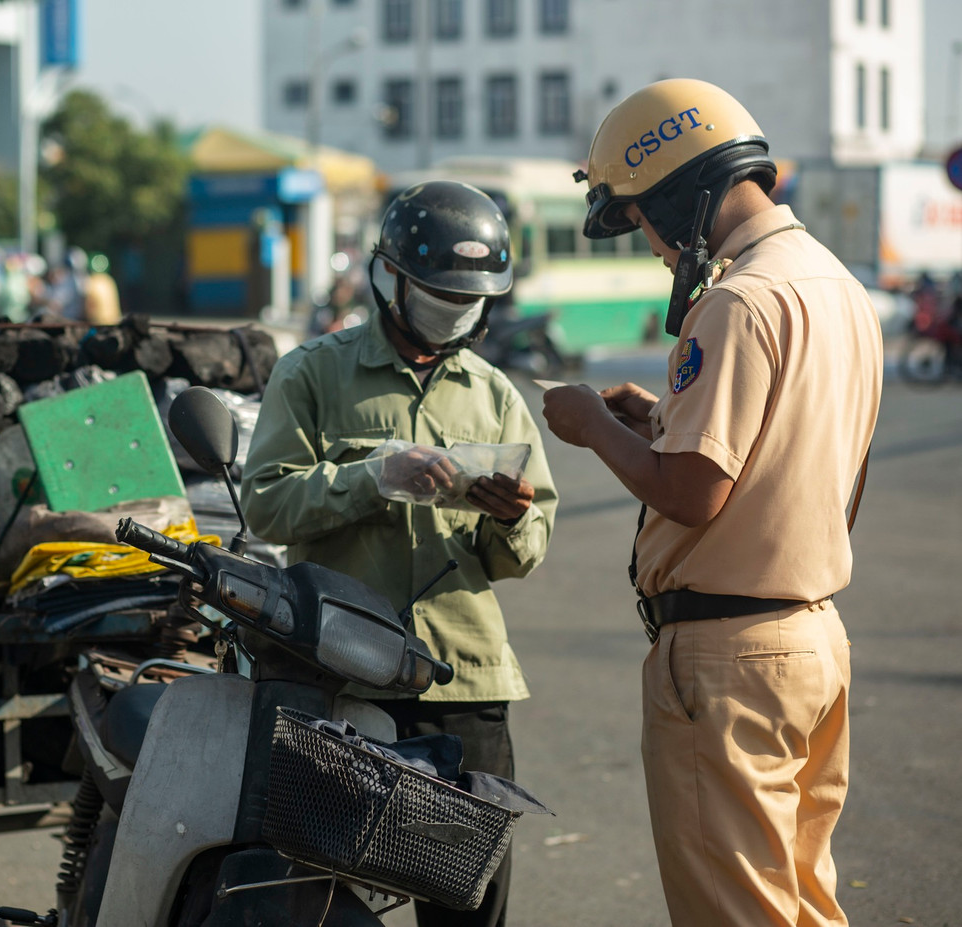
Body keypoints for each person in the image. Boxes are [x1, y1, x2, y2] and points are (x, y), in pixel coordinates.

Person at [543, 79, 882, 926]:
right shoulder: (836, 286)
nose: (653, 248)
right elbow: (822, 474)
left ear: (679, 197)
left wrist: (591, 426)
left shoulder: (735, 300)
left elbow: (693, 492)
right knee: (800, 901)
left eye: (642, 222)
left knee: (736, 911)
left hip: (729, 659)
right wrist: (661, 420)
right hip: (812, 640)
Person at [242, 180, 558, 927]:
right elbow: (264, 503)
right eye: (440, 295)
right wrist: (370, 477)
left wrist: (508, 519)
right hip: (341, 683)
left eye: (468, 300)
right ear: (391, 277)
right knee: (317, 901)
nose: (455, 312)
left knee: (466, 907)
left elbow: (528, 550)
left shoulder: (496, 395)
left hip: (464, 687)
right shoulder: (314, 373)